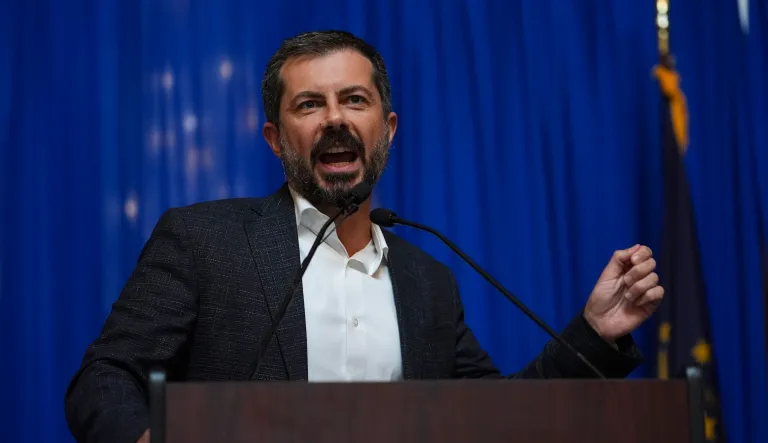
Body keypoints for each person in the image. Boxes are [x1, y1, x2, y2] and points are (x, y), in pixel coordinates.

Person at [64, 30, 664, 443]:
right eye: (309, 104)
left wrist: (593, 334)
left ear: (388, 128)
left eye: (355, 99)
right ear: (275, 138)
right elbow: (106, 376)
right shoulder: (202, 241)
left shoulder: (429, 282)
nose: (335, 118)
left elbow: (502, 418)